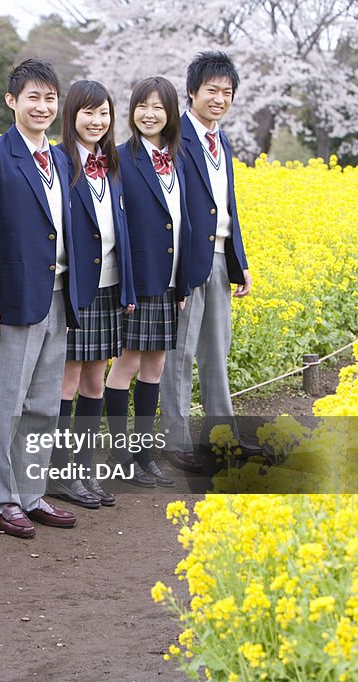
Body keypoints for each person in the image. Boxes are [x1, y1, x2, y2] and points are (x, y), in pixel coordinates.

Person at [0, 59, 80, 539]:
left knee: (42, 405)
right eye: (32, 97)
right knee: (5, 404)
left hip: (56, 296)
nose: (42, 106)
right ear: (12, 101)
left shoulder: (58, 157)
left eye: (50, 98)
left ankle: (31, 494)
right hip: (12, 301)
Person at [160, 51, 260, 472]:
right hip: (185, 263)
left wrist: (240, 260)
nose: (219, 99)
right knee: (178, 356)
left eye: (227, 92)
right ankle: (175, 442)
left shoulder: (224, 140)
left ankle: (223, 436)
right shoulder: (173, 138)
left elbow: (228, 204)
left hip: (220, 259)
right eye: (212, 91)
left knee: (217, 353)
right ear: (192, 92)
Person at [46, 80, 136, 509]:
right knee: (67, 380)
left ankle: (84, 469)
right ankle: (60, 473)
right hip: (77, 287)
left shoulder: (111, 162)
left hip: (110, 285)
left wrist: (128, 288)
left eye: (103, 114)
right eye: (88, 113)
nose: (97, 121)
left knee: (96, 380)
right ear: (71, 116)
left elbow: (123, 233)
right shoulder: (60, 161)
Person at [104, 76, 192, 488]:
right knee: (127, 363)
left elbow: (185, 223)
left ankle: (144, 454)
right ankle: (121, 456)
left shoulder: (177, 159)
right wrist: (129, 287)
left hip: (170, 281)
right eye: (143, 105)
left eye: (159, 107)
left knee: (155, 365)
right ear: (132, 110)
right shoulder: (119, 158)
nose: (150, 114)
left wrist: (184, 283)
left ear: (171, 114)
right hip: (138, 282)